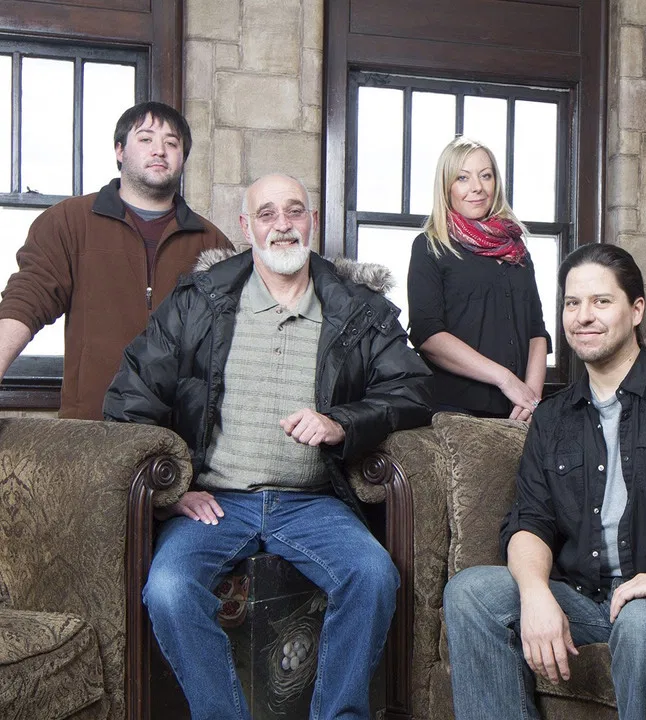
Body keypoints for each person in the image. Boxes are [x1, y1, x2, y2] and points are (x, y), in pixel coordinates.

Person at [103, 174, 433, 720]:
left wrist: (341, 423)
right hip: (217, 500)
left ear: (313, 221)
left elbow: (413, 390)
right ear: (245, 226)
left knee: (373, 576)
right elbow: (130, 396)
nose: (283, 225)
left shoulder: (359, 309)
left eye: (295, 211)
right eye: (267, 214)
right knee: (169, 589)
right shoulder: (200, 301)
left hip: (314, 501)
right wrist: (173, 491)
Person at [442, 244, 646, 719]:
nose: (583, 316)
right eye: (572, 303)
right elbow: (530, 522)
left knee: (641, 619)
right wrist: (535, 594)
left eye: (601, 301)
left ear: (636, 310)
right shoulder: (552, 419)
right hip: (586, 600)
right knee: (471, 592)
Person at [0, 101, 233, 419]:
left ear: (183, 158)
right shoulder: (69, 221)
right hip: (92, 427)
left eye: (171, 143)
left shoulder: (212, 241)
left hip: (179, 434)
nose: (159, 150)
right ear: (120, 151)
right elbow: (27, 299)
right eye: (146, 138)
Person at [407, 136, 550, 421]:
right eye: (463, 178)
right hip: (455, 411)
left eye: (486, 175)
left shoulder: (517, 250)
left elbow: (537, 330)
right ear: (446, 186)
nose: (477, 187)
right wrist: (505, 379)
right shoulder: (430, 247)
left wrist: (531, 398)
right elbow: (428, 336)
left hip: (518, 410)